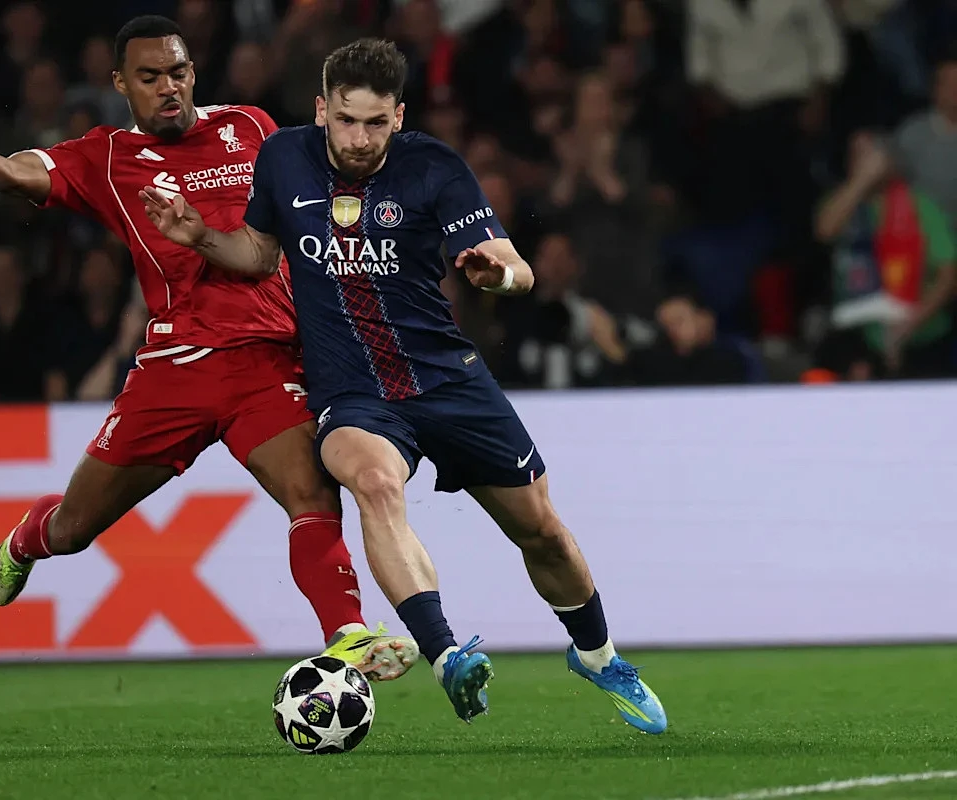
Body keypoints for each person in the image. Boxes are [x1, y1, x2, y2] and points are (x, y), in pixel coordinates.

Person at [0, 16, 418, 680]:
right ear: (120, 83)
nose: (167, 88)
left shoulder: (252, 127)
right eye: (149, 77)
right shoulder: (106, 156)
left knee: (312, 492)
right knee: (74, 529)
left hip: (269, 361)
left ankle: (347, 635)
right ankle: (30, 536)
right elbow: (4, 173)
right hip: (177, 373)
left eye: (177, 72)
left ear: (193, 73)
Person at [141, 37, 668, 733]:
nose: (360, 140)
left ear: (399, 116)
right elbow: (259, 254)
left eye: (376, 123)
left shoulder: (433, 167)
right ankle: (446, 652)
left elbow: (519, 267)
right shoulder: (284, 157)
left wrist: (497, 274)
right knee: (375, 484)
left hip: (447, 379)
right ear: (322, 109)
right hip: (352, 393)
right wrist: (200, 234)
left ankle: (598, 657)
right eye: (347, 121)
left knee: (542, 533)